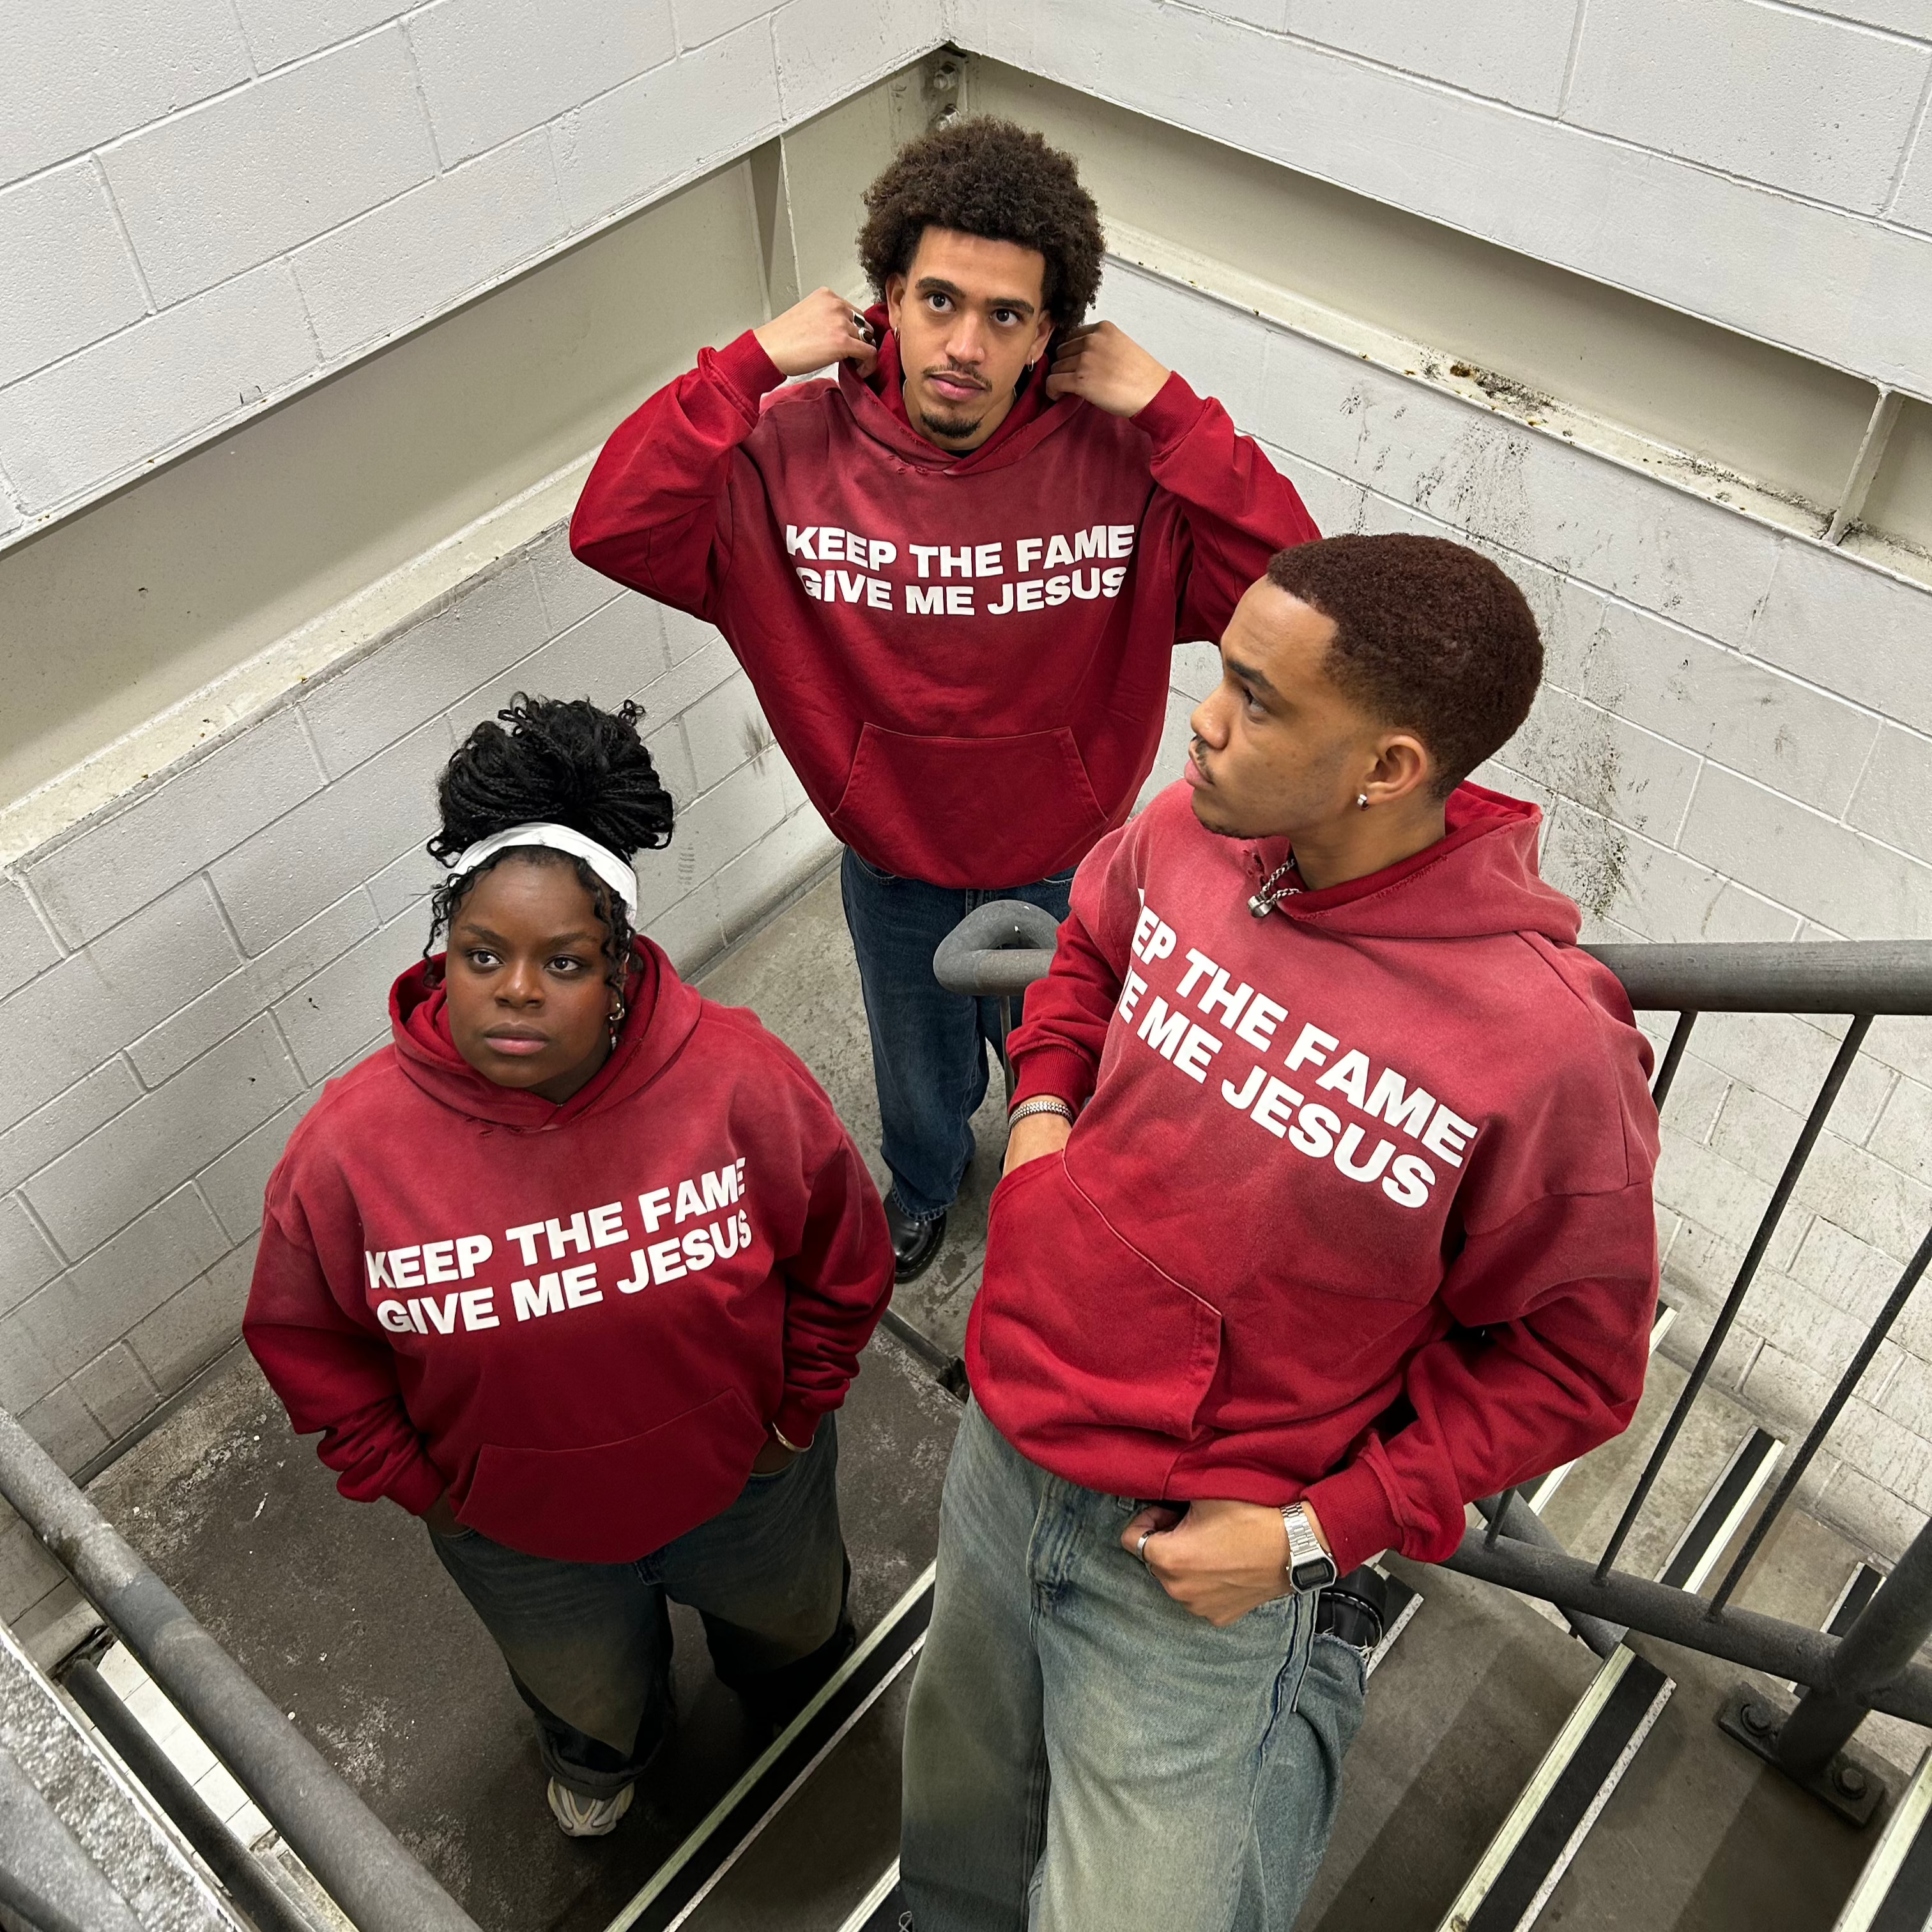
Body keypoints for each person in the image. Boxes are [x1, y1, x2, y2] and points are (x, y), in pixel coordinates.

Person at [898, 534, 1662, 1929]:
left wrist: (1319, 1537)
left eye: (1256, 699)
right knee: (954, 1807)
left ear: (1388, 768)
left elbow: (1572, 1370)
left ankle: (1319, 1660)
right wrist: (1044, 1119)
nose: (1203, 720)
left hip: (1210, 1551)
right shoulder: (1185, 832)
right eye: (1219, 675)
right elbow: (1086, 952)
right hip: (1010, 1433)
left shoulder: (1548, 1056)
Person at [571, 116, 1319, 1282]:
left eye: (1006, 316)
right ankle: (923, 1188)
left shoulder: (1124, 462)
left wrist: (1172, 410)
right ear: (887, 300)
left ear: (1049, 337)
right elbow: (613, 525)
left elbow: (1292, 594)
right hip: (895, 862)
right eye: (938, 301)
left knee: (1067, 1072)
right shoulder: (784, 456)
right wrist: (745, 366)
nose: (965, 345)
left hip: (1069, 864)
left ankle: (1062, 1203)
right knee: (915, 1071)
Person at [244, 696, 893, 1838]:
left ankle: (797, 1703)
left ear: (622, 970)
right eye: (482, 955)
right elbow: (307, 1345)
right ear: (445, 952)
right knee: (587, 1691)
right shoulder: (348, 1152)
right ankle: (604, 1753)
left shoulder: (739, 1082)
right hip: (519, 1536)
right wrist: (430, 1493)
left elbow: (843, 1259)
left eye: (566, 961)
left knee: (791, 1638)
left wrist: (794, 1417)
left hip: (749, 1489)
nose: (517, 989)